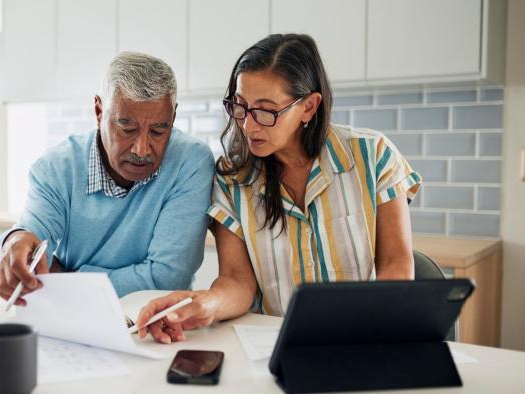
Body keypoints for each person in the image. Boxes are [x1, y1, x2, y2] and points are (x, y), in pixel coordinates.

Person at [136, 34, 422, 344]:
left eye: (266, 111)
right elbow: (237, 281)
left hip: (361, 338)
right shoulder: (232, 179)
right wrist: (204, 304)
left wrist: (374, 324)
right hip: (274, 344)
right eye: (241, 107)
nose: (248, 126)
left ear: (309, 107)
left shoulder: (374, 156)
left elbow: (396, 264)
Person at [0, 51, 215, 305]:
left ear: (173, 117)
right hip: (69, 318)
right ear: (99, 111)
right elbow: (28, 243)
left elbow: (166, 278)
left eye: (159, 131)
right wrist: (16, 241)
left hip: (155, 320)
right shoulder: (56, 169)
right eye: (126, 128)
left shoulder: (190, 162)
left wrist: (66, 279)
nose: (142, 149)